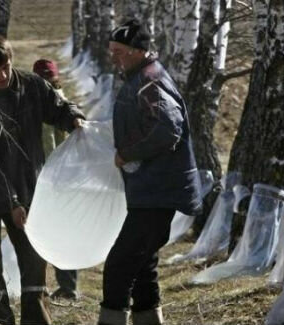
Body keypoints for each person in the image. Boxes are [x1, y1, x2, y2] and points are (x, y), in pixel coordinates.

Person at [0, 35, 85, 325]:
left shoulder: (32, 86)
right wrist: (10, 201)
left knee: (34, 261)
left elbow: (58, 107)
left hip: (27, 187)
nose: (2, 75)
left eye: (5, 67)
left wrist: (73, 117)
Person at [98, 20, 202, 325]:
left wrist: (126, 153)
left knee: (119, 265)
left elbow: (168, 129)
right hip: (151, 190)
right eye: (112, 51)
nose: (113, 57)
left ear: (137, 51)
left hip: (158, 192)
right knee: (143, 266)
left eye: (118, 51)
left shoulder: (149, 81)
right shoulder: (140, 77)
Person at [32, 59, 81, 301]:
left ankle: (68, 288)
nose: (45, 85)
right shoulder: (32, 103)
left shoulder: (60, 105)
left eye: (48, 80)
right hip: (46, 177)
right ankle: (47, 285)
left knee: (60, 232)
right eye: (42, 80)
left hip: (58, 178)